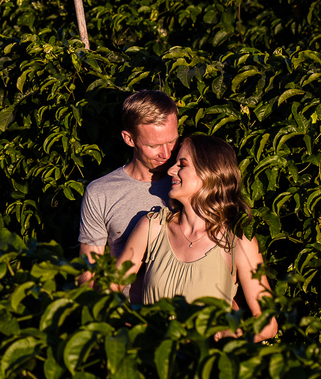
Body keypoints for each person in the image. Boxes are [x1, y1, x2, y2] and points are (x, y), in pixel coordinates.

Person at [112, 134, 278, 342]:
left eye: (182, 165)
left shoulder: (238, 242)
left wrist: (233, 334)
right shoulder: (152, 227)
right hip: (152, 364)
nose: (171, 170)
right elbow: (111, 287)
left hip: (205, 368)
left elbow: (268, 322)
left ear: (208, 173)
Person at [77, 90, 179, 295]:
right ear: (129, 139)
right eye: (154, 145)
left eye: (172, 141)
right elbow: (89, 271)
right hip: (125, 317)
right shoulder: (101, 193)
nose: (166, 154)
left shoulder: (186, 183)